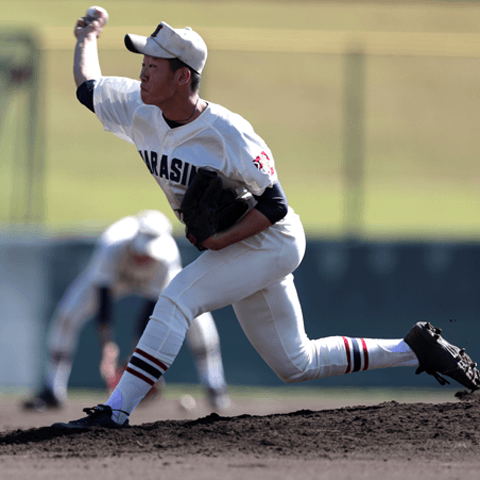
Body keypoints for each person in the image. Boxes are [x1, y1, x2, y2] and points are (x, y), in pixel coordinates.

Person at [52, 14, 479, 429]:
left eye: (152, 66)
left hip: (271, 240)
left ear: (183, 77)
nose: (142, 74)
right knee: (296, 363)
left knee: (178, 297)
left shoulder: (228, 133)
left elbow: (274, 205)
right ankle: (415, 350)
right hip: (240, 244)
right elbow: (88, 88)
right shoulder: (137, 106)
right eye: (142, 65)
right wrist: (86, 38)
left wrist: (221, 242)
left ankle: (117, 409)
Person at [23, 210, 231, 413]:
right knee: (67, 316)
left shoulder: (167, 257)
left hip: (151, 284)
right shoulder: (113, 244)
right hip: (116, 281)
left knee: (200, 320)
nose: (144, 256)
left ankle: (215, 385)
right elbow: (103, 299)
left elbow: (151, 309)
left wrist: (136, 353)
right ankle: (53, 388)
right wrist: (108, 349)